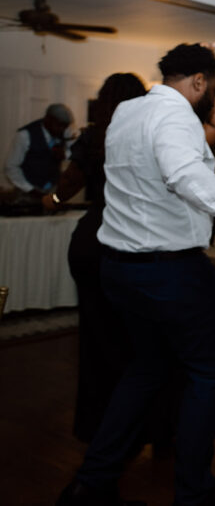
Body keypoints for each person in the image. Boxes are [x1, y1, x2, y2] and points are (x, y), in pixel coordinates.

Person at [57, 44, 215, 506]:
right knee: (208, 372)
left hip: (118, 268)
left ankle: (89, 482)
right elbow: (182, 173)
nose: (211, 95)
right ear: (197, 81)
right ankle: (194, 493)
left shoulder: (126, 112)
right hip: (171, 271)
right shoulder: (177, 114)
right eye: (211, 87)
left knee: (146, 369)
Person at [43, 74, 148, 444]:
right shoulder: (144, 136)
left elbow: (67, 187)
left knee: (95, 335)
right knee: (135, 339)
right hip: (127, 237)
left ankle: (94, 424)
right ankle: (133, 426)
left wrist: (50, 202)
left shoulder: (93, 136)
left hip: (89, 241)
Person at [5, 102, 74, 195]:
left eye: (65, 127)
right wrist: (30, 189)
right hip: (27, 191)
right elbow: (11, 167)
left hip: (53, 189)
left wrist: (65, 154)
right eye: (59, 125)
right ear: (48, 119)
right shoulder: (24, 135)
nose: (62, 130)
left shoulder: (65, 130)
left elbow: (75, 150)